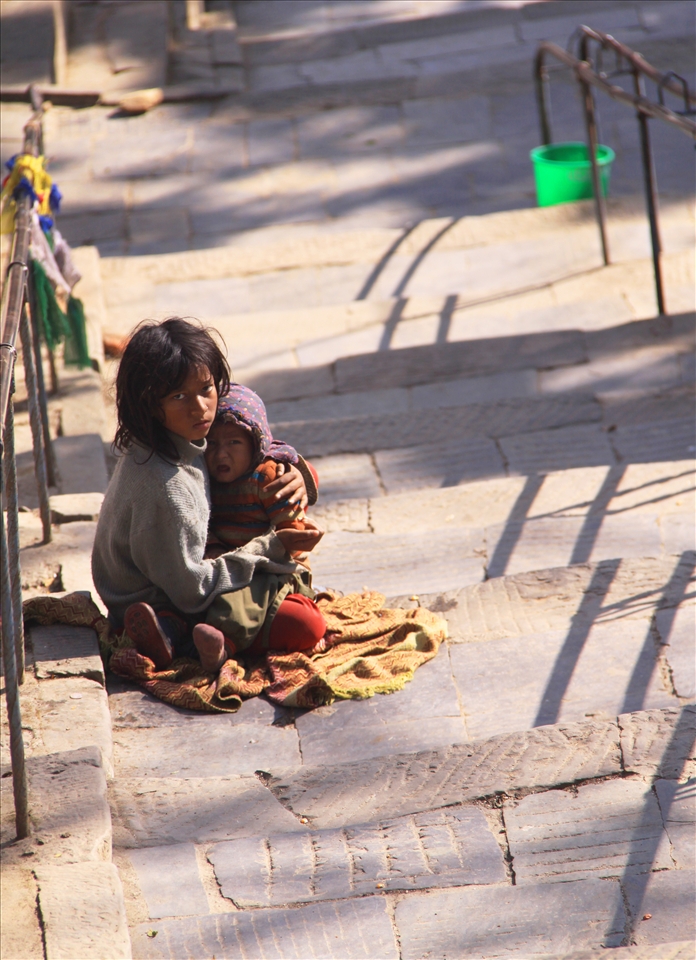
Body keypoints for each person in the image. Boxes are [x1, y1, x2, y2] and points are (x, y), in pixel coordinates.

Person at [91, 317, 318, 672]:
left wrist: (296, 472)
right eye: (178, 396)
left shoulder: (180, 435)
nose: (200, 408)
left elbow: (253, 437)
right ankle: (182, 640)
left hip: (183, 578)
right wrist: (271, 548)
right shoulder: (167, 487)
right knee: (306, 623)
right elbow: (192, 590)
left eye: (206, 388)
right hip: (165, 599)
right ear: (150, 403)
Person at [194, 384, 327, 667]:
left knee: (304, 622)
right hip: (224, 571)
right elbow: (203, 528)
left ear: (256, 444)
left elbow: (290, 536)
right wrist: (214, 551)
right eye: (212, 444)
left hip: (273, 572)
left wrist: (300, 533)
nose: (221, 454)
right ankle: (171, 629)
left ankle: (222, 646)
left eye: (234, 443)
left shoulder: (268, 477)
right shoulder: (201, 478)